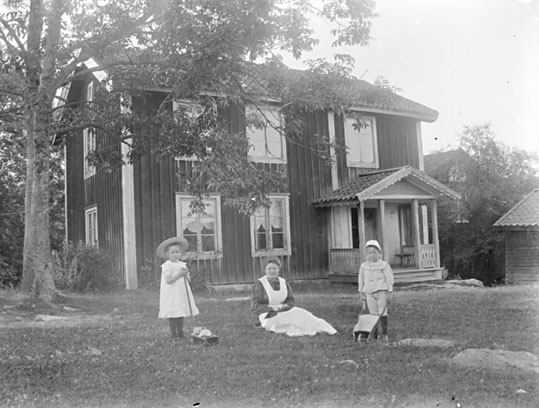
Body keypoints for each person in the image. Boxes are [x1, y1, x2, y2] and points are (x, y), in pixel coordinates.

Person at [251, 257, 337, 337]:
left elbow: (290, 300)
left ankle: (327, 329)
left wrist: (286, 306)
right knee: (288, 321)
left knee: (302, 313)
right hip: (268, 315)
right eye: (269, 268)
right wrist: (272, 309)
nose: (272, 271)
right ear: (265, 270)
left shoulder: (283, 282)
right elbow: (255, 306)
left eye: (274, 268)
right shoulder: (259, 284)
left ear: (278, 269)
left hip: (284, 310)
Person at [156, 236, 199, 340]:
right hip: (172, 292)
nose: (175, 254)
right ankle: (174, 334)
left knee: (180, 312)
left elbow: (188, 280)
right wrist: (180, 274)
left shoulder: (182, 265)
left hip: (181, 292)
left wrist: (186, 274)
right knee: (173, 312)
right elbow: (168, 280)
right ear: (167, 254)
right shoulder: (167, 265)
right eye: (173, 252)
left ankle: (181, 333)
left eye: (177, 252)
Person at [357, 240, 394, 341]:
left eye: (374, 252)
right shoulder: (364, 266)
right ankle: (374, 334)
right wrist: (361, 291)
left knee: (382, 311)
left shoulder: (383, 265)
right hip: (369, 291)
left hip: (381, 290)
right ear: (366, 254)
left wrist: (390, 291)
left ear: (379, 253)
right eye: (369, 253)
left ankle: (384, 333)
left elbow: (389, 279)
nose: (372, 255)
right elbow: (361, 279)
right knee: (373, 312)